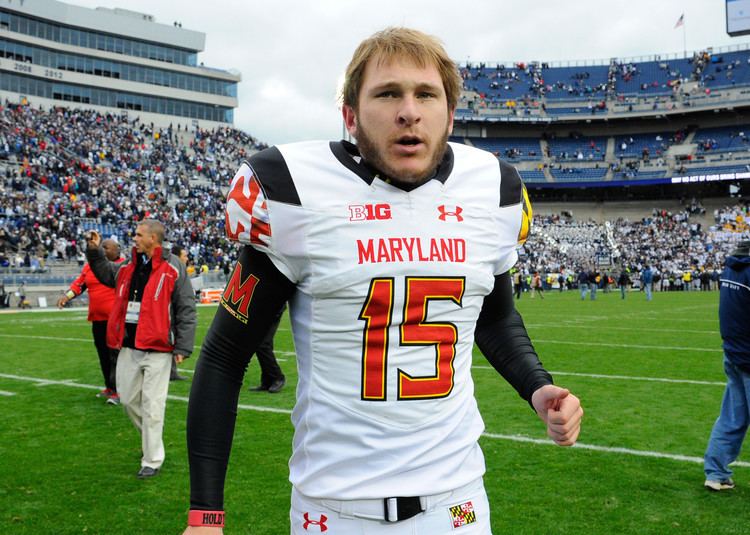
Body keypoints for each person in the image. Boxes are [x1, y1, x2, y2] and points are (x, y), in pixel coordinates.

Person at [183, 27, 582, 534]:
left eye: (425, 94)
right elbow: (223, 357)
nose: (408, 111)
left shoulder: (491, 191)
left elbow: (496, 318)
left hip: (457, 504)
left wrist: (537, 387)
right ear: (350, 115)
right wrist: (205, 515)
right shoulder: (295, 190)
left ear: (449, 114)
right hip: (334, 510)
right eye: (388, 92)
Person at [86, 220, 196, 479]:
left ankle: (152, 460)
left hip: (159, 347)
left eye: (138, 234)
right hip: (129, 344)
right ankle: (151, 441)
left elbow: (186, 308)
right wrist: (94, 250)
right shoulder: (127, 266)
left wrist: (183, 345)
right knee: (127, 399)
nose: (134, 238)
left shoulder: (173, 268)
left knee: (152, 405)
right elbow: (104, 272)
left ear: (153, 239)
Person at [704, 240, 750, 491]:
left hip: (733, 353)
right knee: (733, 416)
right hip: (746, 355)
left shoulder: (730, 269)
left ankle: (716, 472)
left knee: (732, 417)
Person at [58, 238, 124, 405]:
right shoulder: (90, 267)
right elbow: (79, 285)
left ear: (117, 251)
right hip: (98, 319)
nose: (103, 249)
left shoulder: (123, 266)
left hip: (116, 320)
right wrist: (67, 296)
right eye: (102, 247)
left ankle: (119, 390)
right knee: (103, 354)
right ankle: (109, 387)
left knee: (115, 356)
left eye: (107, 247)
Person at [247, 303, 287, 393]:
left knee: (262, 345)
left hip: (273, 307)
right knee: (262, 344)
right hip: (264, 308)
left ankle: (277, 377)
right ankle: (267, 381)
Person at [169, 245, 191, 382]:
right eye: (184, 255)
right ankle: (171, 371)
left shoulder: (180, 270)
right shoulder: (173, 271)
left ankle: (172, 371)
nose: (187, 258)